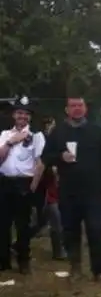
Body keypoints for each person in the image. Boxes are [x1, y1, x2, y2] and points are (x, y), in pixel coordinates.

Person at [41, 96, 101, 281]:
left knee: (95, 230)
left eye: (80, 105)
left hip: (93, 190)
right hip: (68, 190)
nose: (77, 108)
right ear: (67, 109)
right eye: (73, 106)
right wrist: (60, 157)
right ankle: (75, 267)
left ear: (85, 108)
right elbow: (46, 156)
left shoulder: (96, 131)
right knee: (70, 230)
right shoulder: (58, 132)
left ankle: (100, 270)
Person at [0, 96, 45, 274]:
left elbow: (40, 163)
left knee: (23, 225)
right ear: (14, 115)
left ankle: (23, 260)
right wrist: (11, 142)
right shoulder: (4, 135)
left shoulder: (37, 136)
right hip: (5, 182)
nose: (23, 116)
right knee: (3, 224)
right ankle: (3, 261)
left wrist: (33, 185)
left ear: (30, 117)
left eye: (26, 114)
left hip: (24, 183)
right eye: (19, 113)